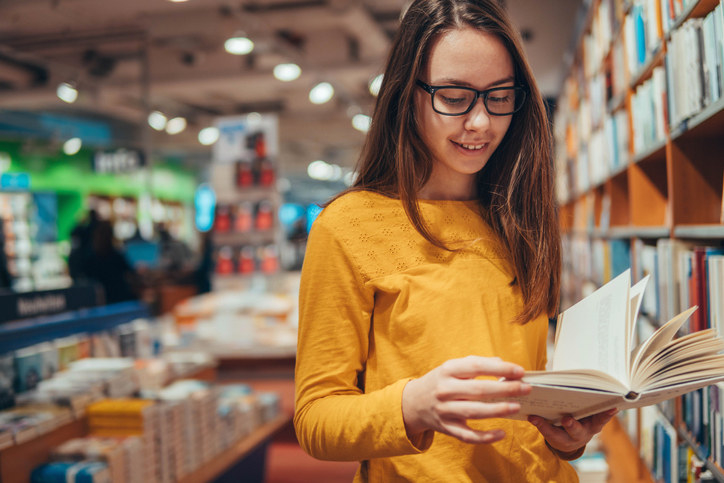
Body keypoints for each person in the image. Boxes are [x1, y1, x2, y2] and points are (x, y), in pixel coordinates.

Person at [293, 1, 617, 481]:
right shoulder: (347, 226)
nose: (481, 122)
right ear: (408, 94)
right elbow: (315, 418)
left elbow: (527, 397)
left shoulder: (520, 215)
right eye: (454, 96)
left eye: (499, 96)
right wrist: (413, 406)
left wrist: (566, 437)